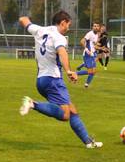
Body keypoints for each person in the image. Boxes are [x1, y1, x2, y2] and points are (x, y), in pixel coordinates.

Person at [18, 11, 103, 149]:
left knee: (72, 110)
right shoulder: (59, 37)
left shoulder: (40, 30)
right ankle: (33, 104)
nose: (68, 28)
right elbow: (62, 52)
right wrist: (69, 71)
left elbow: (24, 20)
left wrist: (24, 18)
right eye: (68, 25)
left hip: (41, 80)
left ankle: (88, 142)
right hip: (53, 80)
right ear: (62, 22)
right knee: (65, 114)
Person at [76, 23, 100, 88]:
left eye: (97, 26)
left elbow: (94, 45)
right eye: (94, 26)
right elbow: (82, 41)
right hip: (88, 55)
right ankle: (75, 73)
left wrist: (101, 48)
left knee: (93, 72)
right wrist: (87, 50)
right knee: (90, 72)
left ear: (99, 28)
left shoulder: (97, 35)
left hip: (92, 54)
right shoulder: (90, 34)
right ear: (92, 27)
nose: (96, 27)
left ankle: (86, 84)